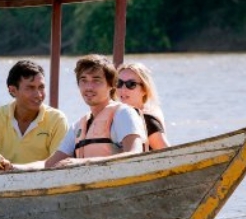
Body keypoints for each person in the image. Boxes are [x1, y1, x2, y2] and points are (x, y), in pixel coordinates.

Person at [12, 54, 146, 170]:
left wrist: (83, 162)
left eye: (96, 80)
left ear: (111, 85)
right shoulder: (77, 126)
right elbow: (49, 165)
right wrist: (14, 167)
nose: (89, 87)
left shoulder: (123, 114)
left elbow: (134, 155)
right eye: (84, 80)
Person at [116, 62, 170, 150]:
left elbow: (169, 156)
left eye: (131, 84)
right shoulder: (115, 117)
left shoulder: (147, 121)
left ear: (144, 89)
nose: (123, 89)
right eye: (119, 83)